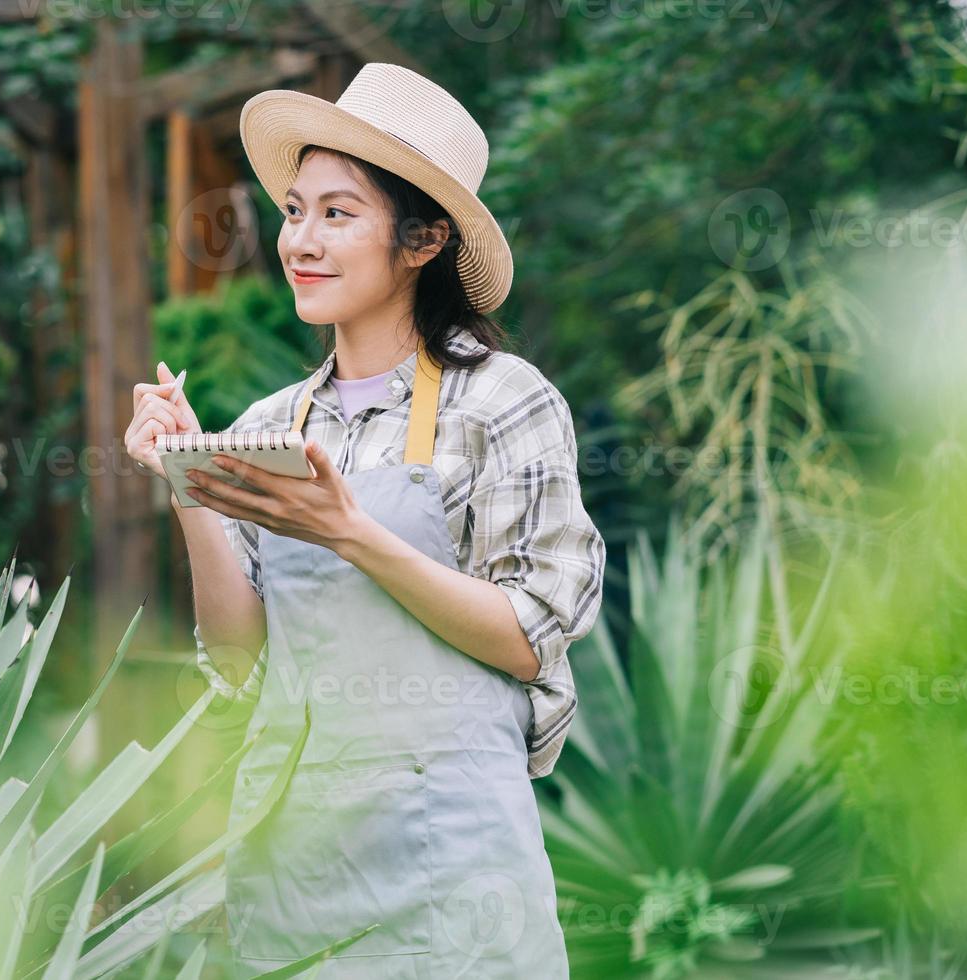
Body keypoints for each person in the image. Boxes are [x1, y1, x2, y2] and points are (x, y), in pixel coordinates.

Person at [125, 62, 605, 978]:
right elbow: (240, 665)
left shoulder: (504, 404)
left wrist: (349, 530)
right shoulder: (271, 427)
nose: (300, 240)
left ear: (422, 242)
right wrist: (190, 483)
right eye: (295, 210)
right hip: (294, 871)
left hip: (460, 879)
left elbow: (527, 641)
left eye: (337, 214)